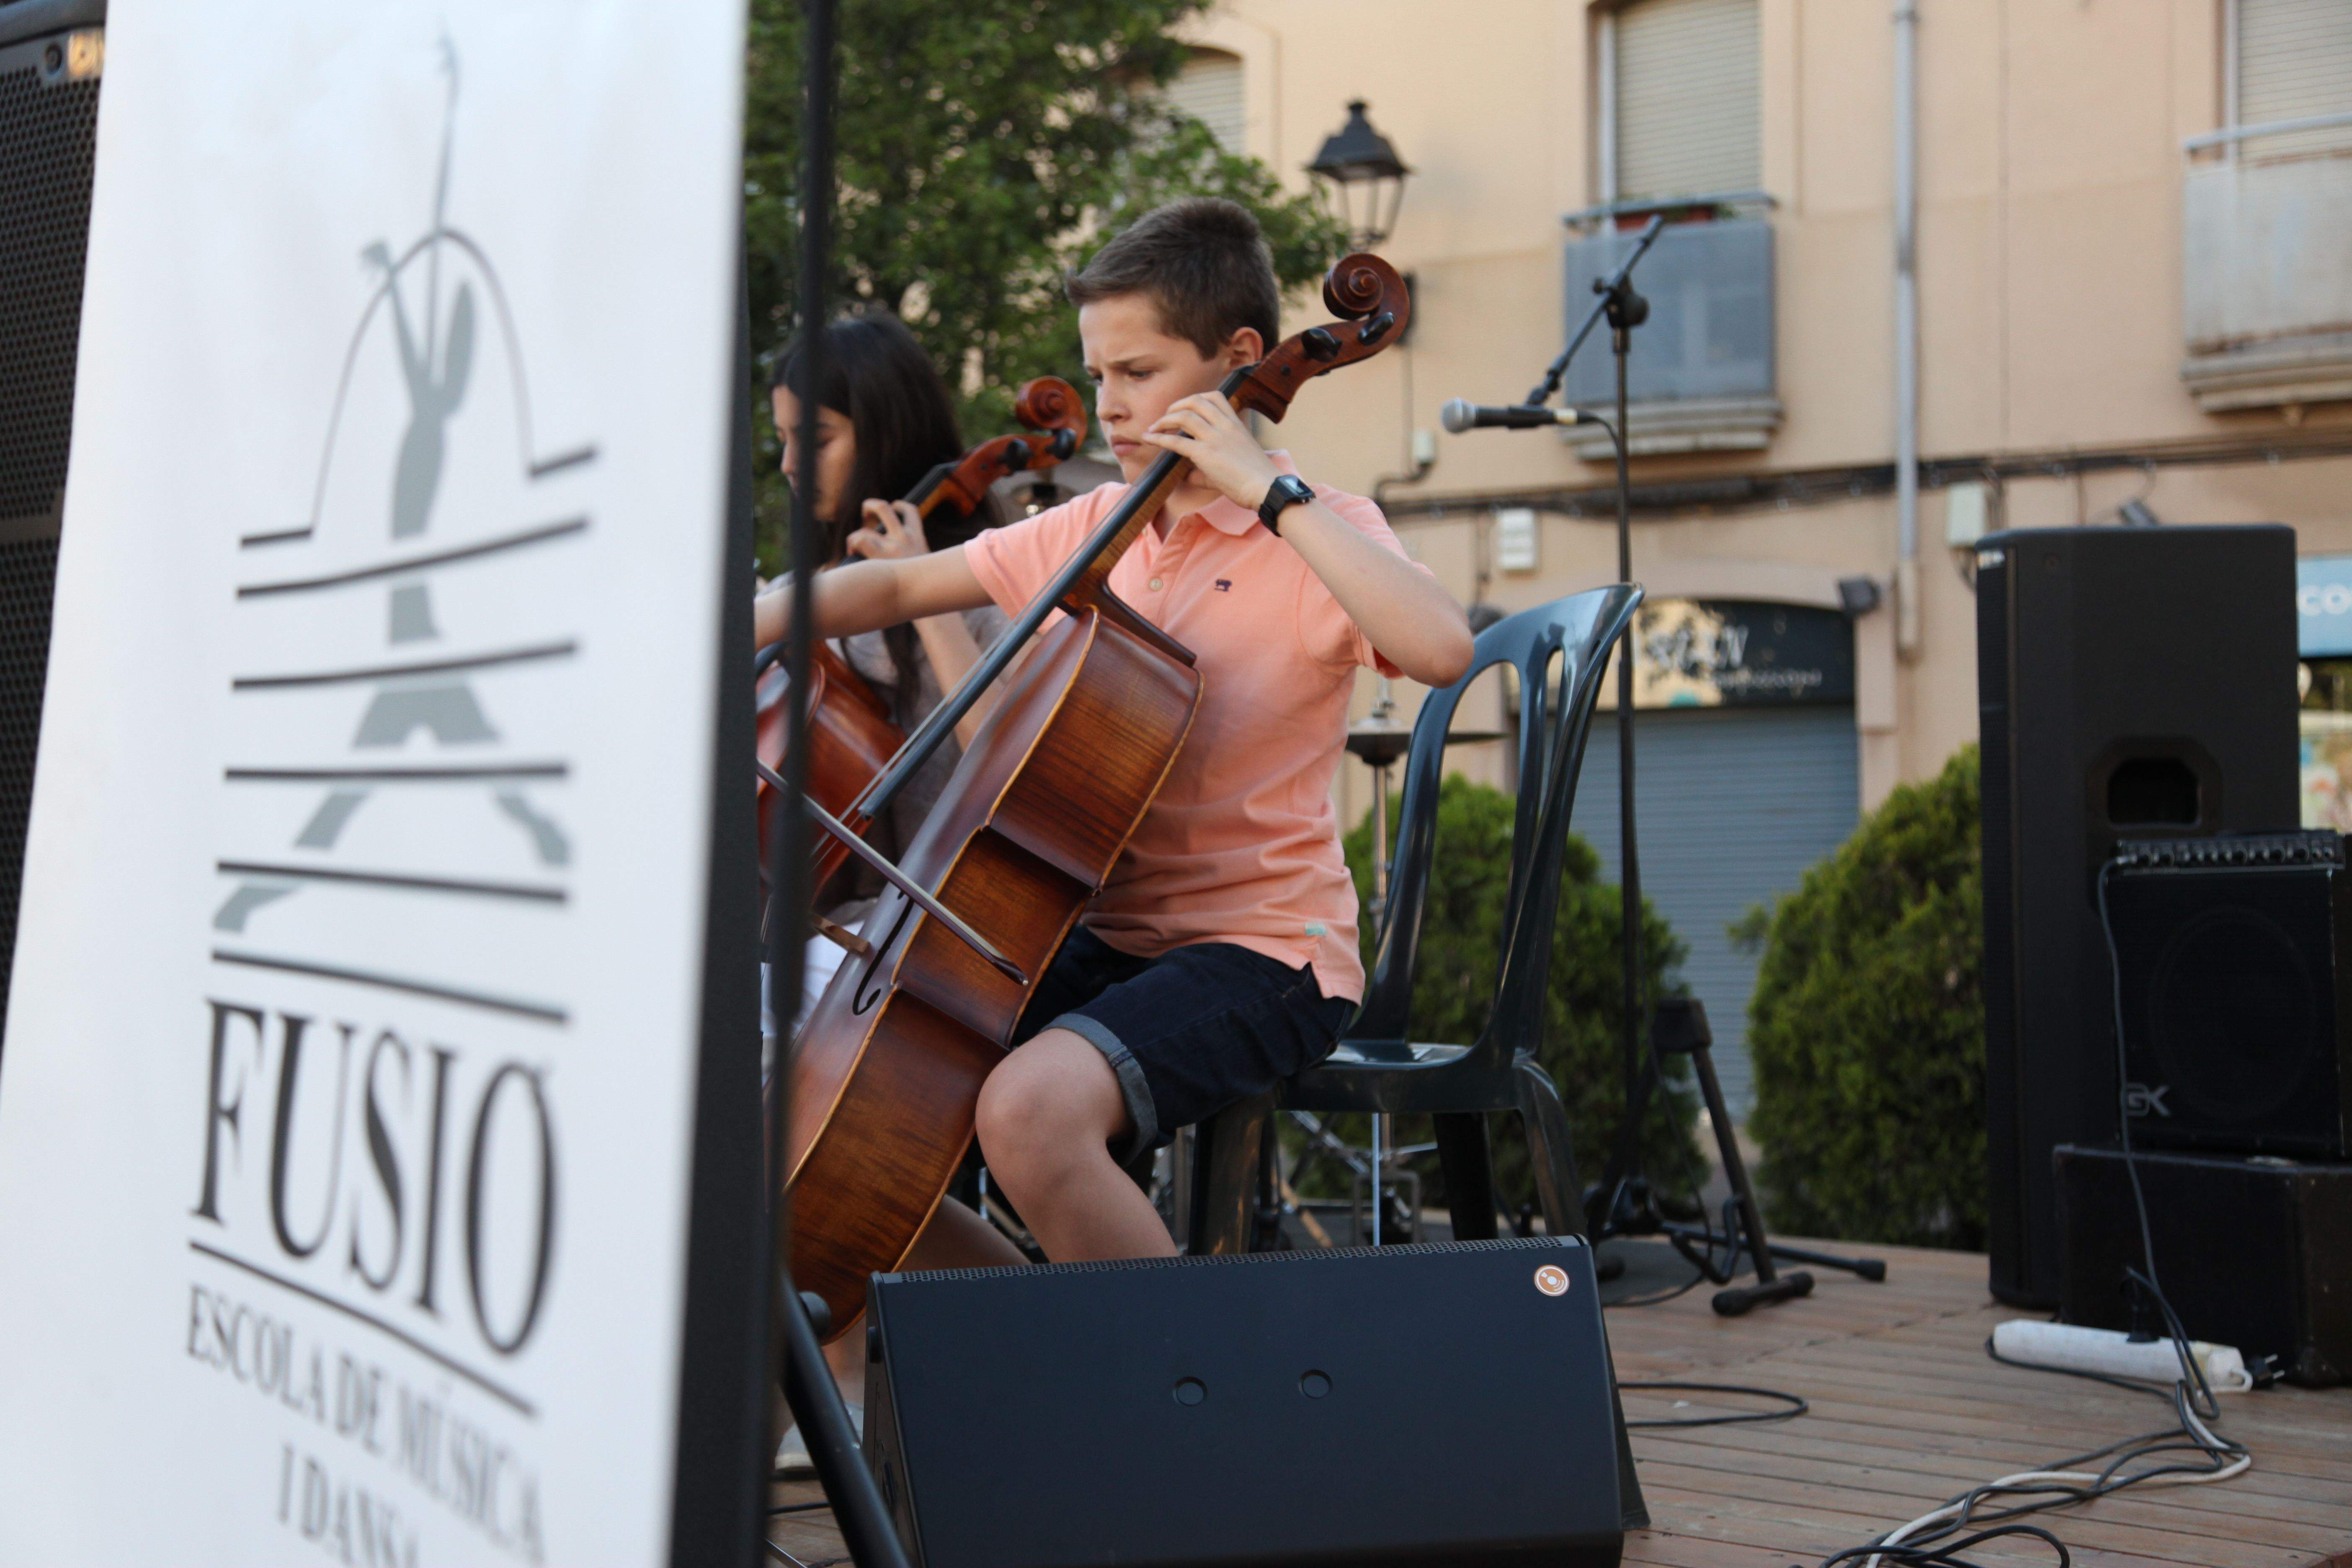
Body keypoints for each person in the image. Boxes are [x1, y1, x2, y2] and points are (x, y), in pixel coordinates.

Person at [755, 197, 1472, 1272]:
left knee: (1031, 1111)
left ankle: (1186, 1405)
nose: (1110, 407)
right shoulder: (1102, 525)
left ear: (1239, 360)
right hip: (1109, 941)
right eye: (1097, 377)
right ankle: (1041, 1330)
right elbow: (903, 581)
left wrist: (1268, 492)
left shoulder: (1318, 528)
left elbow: (1441, 649)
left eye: (1136, 373)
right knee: (838, 1114)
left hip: (1266, 951)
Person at [761, 313, 1016, 1036]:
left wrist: (917, 591)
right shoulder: (795, 593)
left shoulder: (988, 585)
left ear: (887, 431)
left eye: (814, 441)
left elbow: (1012, 764)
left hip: (939, 928)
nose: (788, 466)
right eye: (782, 440)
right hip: (826, 929)